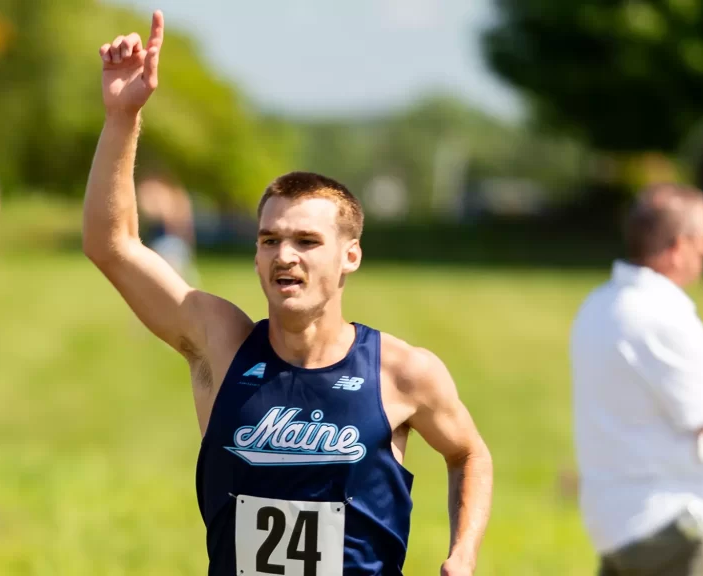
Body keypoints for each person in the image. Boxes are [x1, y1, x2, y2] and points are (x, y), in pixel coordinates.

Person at [82, 10, 493, 576]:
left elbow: (468, 453)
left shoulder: (403, 373)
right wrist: (122, 117)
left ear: (350, 255)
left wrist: (462, 553)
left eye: (306, 240)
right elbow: (112, 246)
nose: (285, 255)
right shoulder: (220, 343)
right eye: (270, 239)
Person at [569, 183, 703, 576]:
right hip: (664, 532)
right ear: (678, 246)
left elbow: (655, 404)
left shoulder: (599, 305)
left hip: (615, 527)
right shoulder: (663, 316)